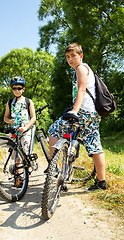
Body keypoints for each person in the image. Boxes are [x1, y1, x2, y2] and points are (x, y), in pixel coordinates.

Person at [48, 42, 107, 191]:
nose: (70, 59)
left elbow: (81, 90)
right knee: (95, 146)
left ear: (81, 55)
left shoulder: (81, 68)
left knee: (54, 130)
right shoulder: (86, 69)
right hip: (93, 114)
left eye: (73, 55)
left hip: (83, 112)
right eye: (67, 57)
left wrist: (75, 110)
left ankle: (54, 170)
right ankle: (101, 182)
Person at [4, 76, 36, 155]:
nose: (17, 90)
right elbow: (5, 117)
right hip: (14, 132)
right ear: (12, 90)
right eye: (14, 89)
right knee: (14, 155)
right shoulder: (10, 102)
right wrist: (10, 121)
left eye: (19, 88)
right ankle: (18, 167)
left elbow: (33, 117)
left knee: (25, 154)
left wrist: (25, 128)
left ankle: (27, 166)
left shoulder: (28, 101)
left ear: (23, 89)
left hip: (25, 131)